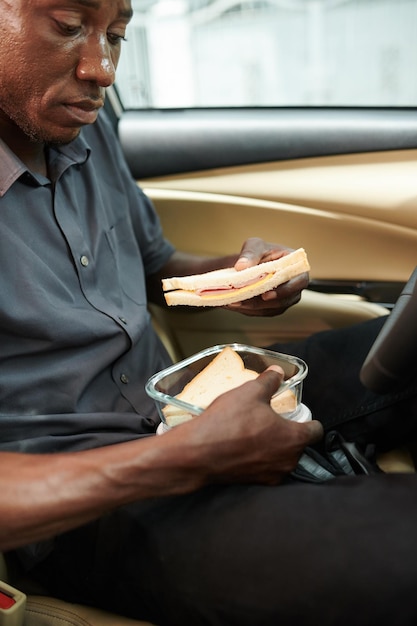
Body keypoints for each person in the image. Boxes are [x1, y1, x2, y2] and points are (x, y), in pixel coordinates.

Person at [1, 1, 417, 625]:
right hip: (86, 506)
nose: (103, 68)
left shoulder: (80, 129)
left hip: (184, 401)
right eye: (68, 28)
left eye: (116, 35)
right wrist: (188, 456)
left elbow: (157, 269)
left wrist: (234, 280)